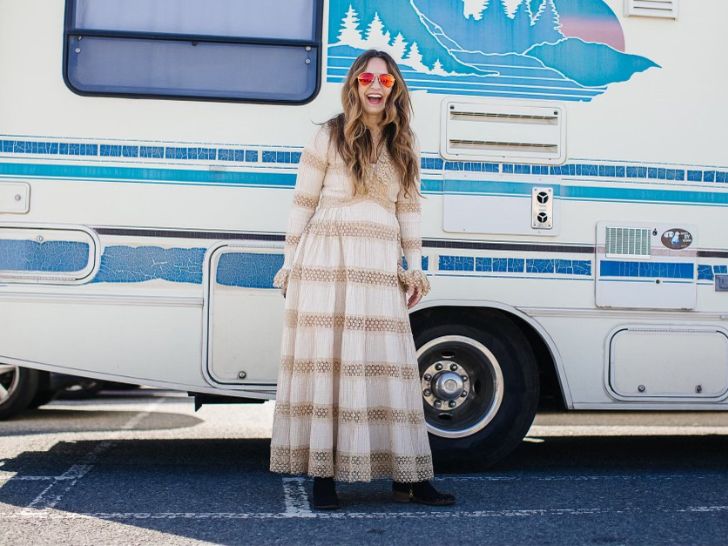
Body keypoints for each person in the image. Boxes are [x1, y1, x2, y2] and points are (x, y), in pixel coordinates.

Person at [269, 49, 455, 510]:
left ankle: (409, 477)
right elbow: (302, 203)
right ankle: (324, 477)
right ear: (354, 84)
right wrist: (289, 262)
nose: (376, 86)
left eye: (386, 80)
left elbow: (408, 210)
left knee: (390, 367)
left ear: (395, 89)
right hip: (326, 258)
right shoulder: (327, 137)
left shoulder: (403, 143)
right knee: (329, 366)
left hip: (377, 264)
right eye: (368, 78)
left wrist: (414, 265)